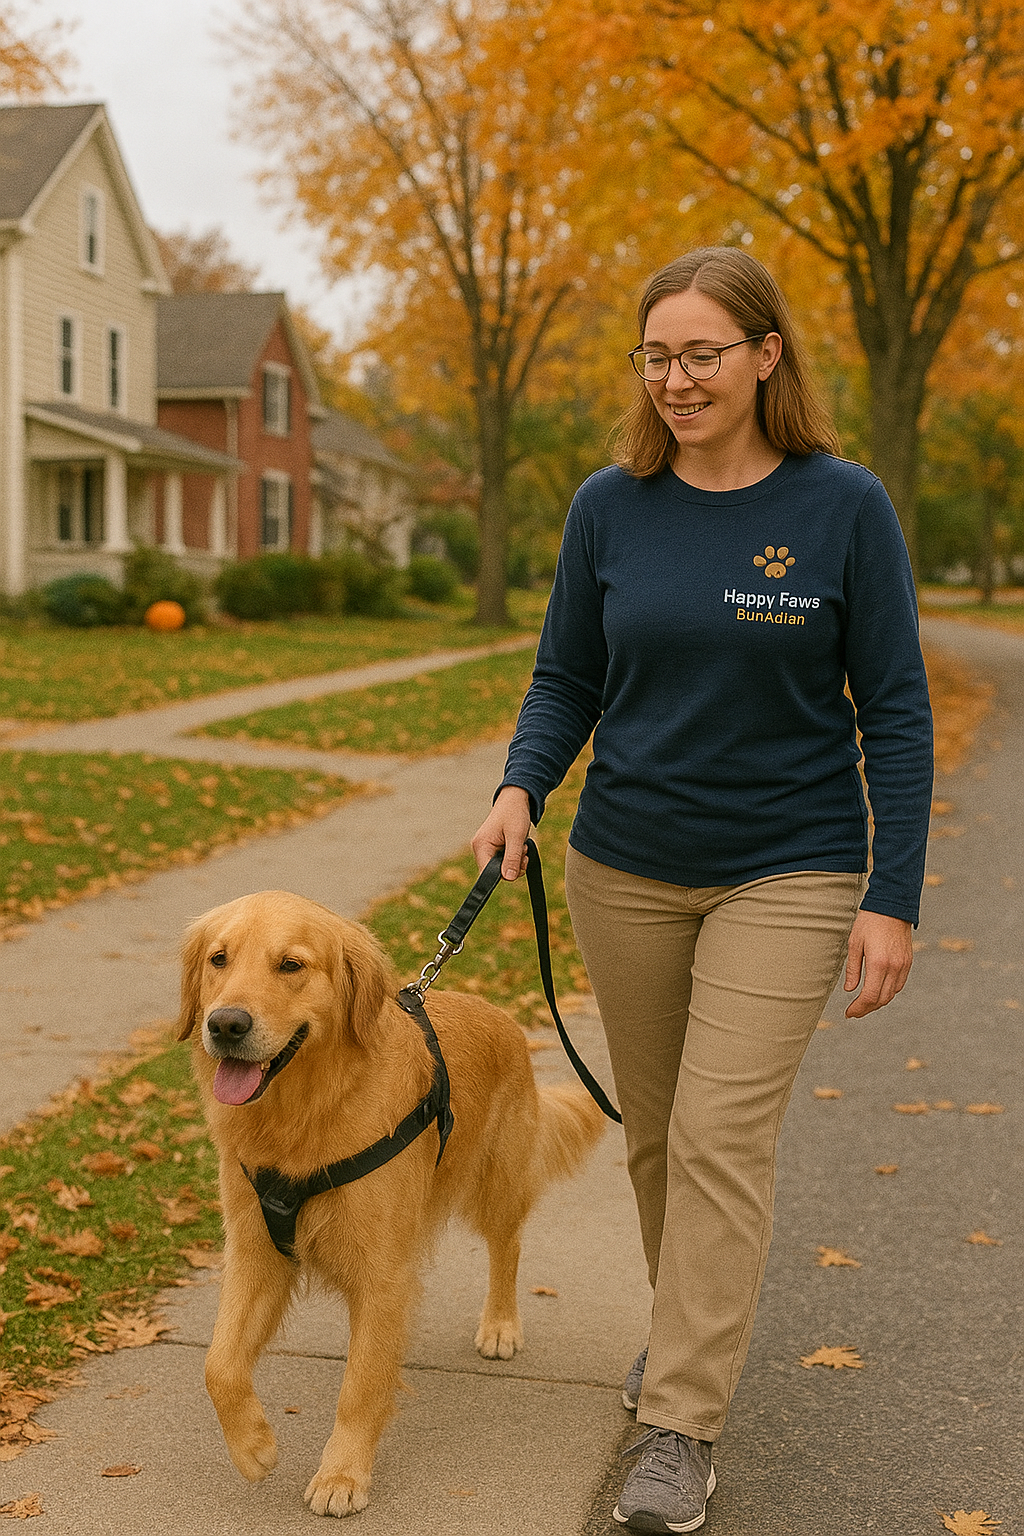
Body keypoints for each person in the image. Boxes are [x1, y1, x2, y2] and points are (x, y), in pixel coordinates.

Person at [471, 246, 933, 1533]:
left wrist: (890, 892)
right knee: (662, 1137)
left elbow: (893, 709)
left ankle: (679, 1420)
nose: (676, 380)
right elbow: (567, 675)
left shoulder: (844, 506)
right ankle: (689, 1338)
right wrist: (520, 785)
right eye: (656, 356)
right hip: (624, 864)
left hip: (787, 866)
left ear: (765, 354)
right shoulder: (608, 507)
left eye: (702, 354)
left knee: (724, 1141)